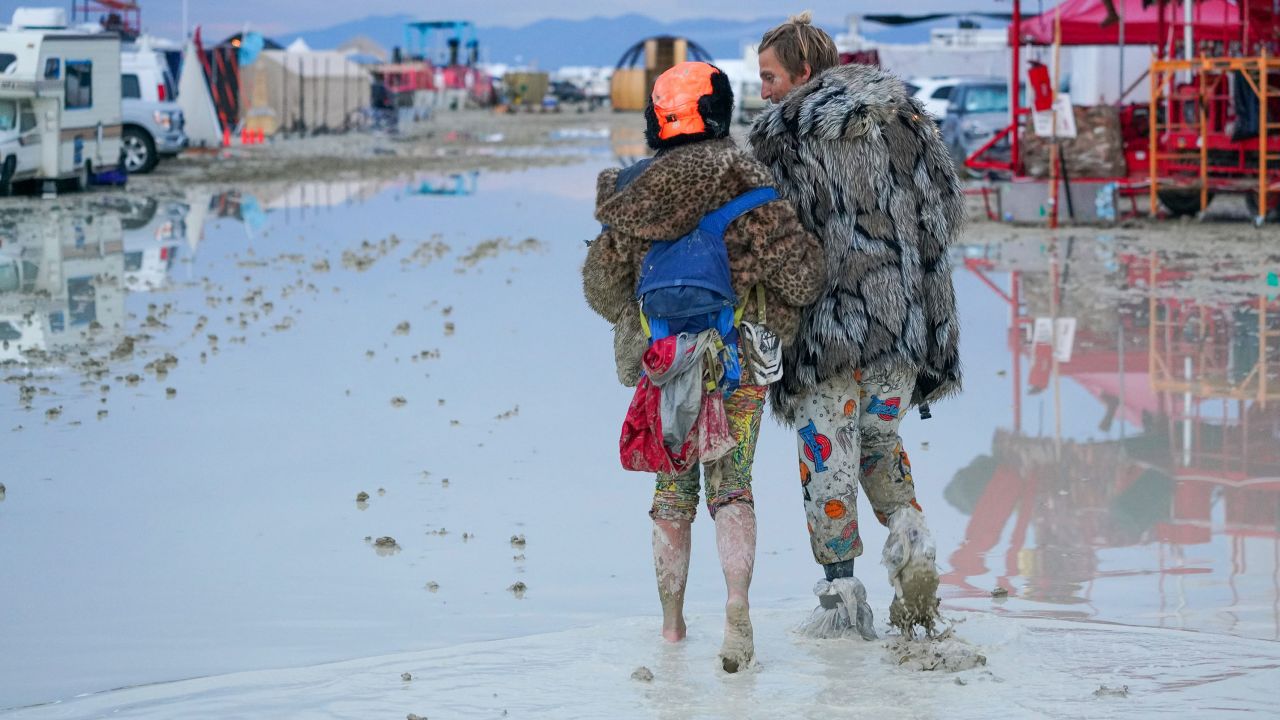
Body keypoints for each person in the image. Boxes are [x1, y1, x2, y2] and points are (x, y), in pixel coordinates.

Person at [582, 61, 825, 671]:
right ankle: (737, 613)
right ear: (718, 112)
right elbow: (803, 275)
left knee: (671, 492)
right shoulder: (748, 182)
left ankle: (670, 629)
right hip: (736, 362)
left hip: (661, 366)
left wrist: (650, 326)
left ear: (656, 118)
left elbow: (600, 288)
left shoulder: (631, 192)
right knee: (733, 485)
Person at [749, 12, 966, 636]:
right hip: (901, 329)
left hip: (826, 334)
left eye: (769, 77)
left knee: (827, 459)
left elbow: (771, 246)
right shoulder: (910, 122)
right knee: (878, 446)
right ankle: (912, 540)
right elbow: (943, 219)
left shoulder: (783, 137)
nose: (763, 91)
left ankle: (843, 599)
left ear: (804, 72)